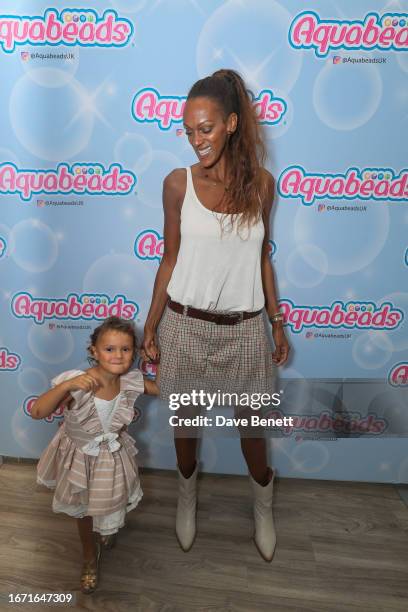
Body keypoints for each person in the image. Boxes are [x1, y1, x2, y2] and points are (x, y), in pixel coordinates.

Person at [142, 68, 290, 562]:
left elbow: (262, 255)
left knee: (253, 431)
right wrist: (151, 323)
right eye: (187, 130)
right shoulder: (177, 184)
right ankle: (187, 499)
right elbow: (169, 259)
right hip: (184, 325)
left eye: (204, 129)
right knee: (186, 428)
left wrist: (275, 321)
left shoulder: (263, 185)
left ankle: (262, 506)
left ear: (230, 124)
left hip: (246, 330)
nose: (195, 140)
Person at [32, 316, 158, 593]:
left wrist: (157, 358)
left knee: (113, 497)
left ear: (135, 353)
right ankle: (89, 557)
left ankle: (107, 529)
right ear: (94, 351)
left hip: (112, 458)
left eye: (126, 349)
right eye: (110, 348)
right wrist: (66, 386)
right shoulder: (77, 382)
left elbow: (164, 390)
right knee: (84, 510)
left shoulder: (132, 381)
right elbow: (37, 411)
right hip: (79, 459)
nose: (118, 355)